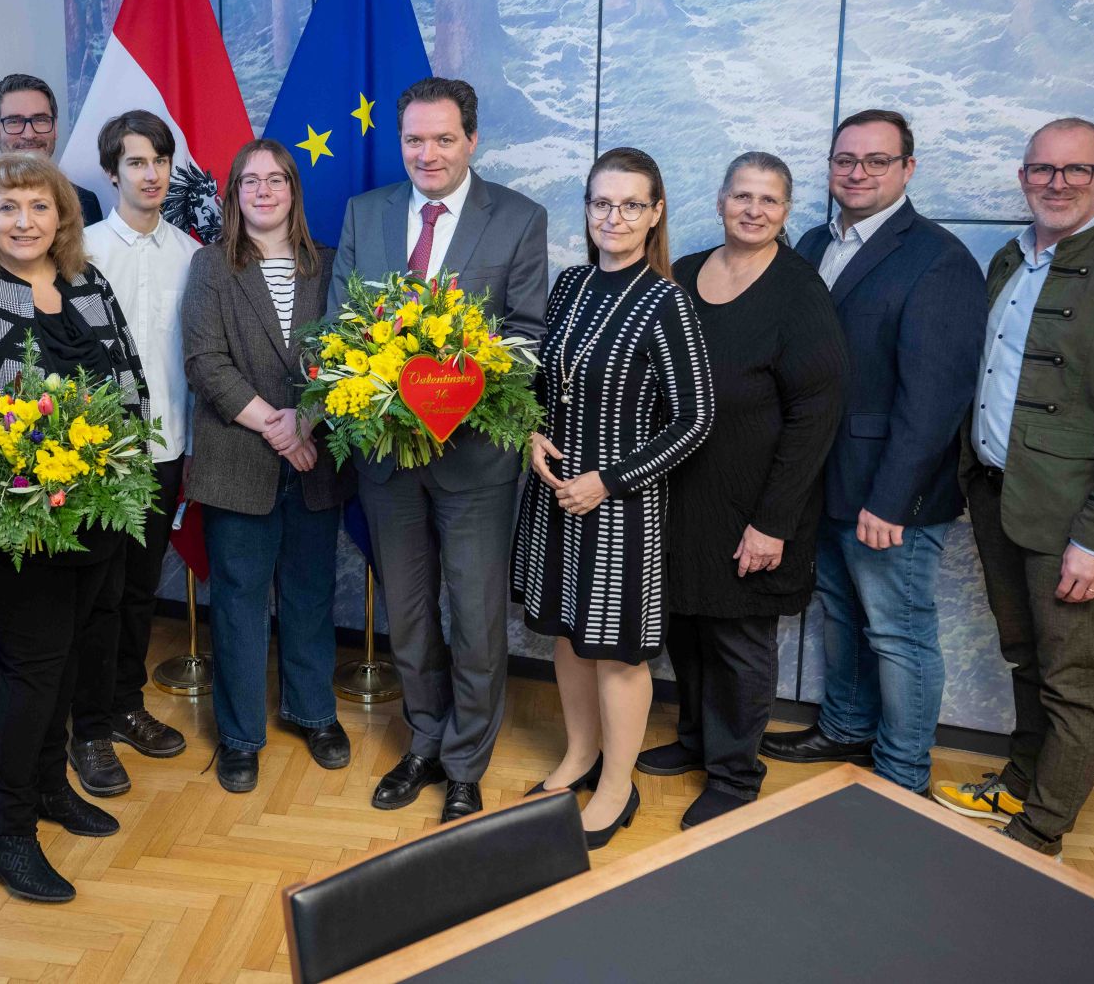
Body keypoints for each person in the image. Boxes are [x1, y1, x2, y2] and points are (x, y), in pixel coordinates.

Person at [935, 118, 1094, 856]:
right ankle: (1018, 780)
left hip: (1075, 519)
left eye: (1077, 171)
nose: (1057, 182)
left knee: (1073, 678)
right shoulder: (1008, 261)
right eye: (1043, 169)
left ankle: (1040, 830)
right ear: (1024, 177)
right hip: (998, 498)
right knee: (1027, 657)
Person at [0, 152, 148, 903]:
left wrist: (120, 466)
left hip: (96, 516)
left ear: (62, 217)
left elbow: (131, 384)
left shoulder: (88, 282)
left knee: (75, 656)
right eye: (8, 207)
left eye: (39, 207)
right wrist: (29, 475)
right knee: (32, 667)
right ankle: (7, 833)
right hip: (14, 522)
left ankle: (51, 787)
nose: (24, 222)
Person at [330, 76, 549, 823]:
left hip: (475, 462)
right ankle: (423, 740)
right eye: (414, 139)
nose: (428, 152)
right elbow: (339, 328)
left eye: (443, 138)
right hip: (387, 461)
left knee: (477, 611)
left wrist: (457, 384)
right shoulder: (367, 212)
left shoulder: (518, 218)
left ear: (472, 140)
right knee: (411, 609)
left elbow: (528, 336)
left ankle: (465, 760)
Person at [761, 109, 984, 795]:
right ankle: (847, 725)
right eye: (844, 159)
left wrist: (894, 499)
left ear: (907, 169)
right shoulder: (810, 240)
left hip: (891, 493)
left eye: (876, 160)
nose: (857, 172)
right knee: (843, 611)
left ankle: (902, 770)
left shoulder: (938, 259)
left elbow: (935, 398)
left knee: (899, 631)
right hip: (824, 478)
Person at [510, 146, 714, 849]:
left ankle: (618, 785)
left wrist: (609, 480)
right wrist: (531, 432)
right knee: (569, 634)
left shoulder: (668, 301)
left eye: (632, 204)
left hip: (621, 505)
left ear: (655, 213)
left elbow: (695, 419)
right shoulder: (568, 284)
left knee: (618, 651)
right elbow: (540, 381)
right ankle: (578, 754)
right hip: (555, 494)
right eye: (602, 202)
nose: (614, 217)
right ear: (588, 208)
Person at [643, 152, 846, 829]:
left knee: (738, 639)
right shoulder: (685, 272)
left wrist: (773, 521)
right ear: (721, 199)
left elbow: (817, 412)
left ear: (787, 212)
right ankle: (699, 740)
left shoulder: (798, 289)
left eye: (770, 200)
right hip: (681, 494)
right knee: (687, 626)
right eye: (742, 196)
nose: (754, 209)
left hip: (756, 503)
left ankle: (735, 772)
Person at [182, 139, 355, 792]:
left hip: (315, 457)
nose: (263, 190)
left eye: (275, 178)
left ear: (292, 190)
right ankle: (239, 735)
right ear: (233, 194)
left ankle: (314, 713)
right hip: (240, 458)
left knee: (311, 594)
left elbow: (345, 354)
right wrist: (282, 430)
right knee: (238, 601)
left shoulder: (331, 265)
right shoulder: (210, 267)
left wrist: (307, 419)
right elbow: (205, 363)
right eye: (249, 180)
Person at [61, 110, 198, 796]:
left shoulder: (191, 254)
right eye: (138, 161)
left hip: (166, 449)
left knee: (141, 590)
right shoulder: (78, 253)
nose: (152, 174)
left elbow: (193, 360)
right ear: (112, 170)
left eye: (162, 161)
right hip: (98, 457)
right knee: (97, 595)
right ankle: (86, 728)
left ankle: (124, 704)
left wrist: (193, 446)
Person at [0, 73, 103, 256]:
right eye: (15, 122)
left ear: (55, 127)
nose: (29, 134)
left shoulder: (86, 202)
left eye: (40, 120)